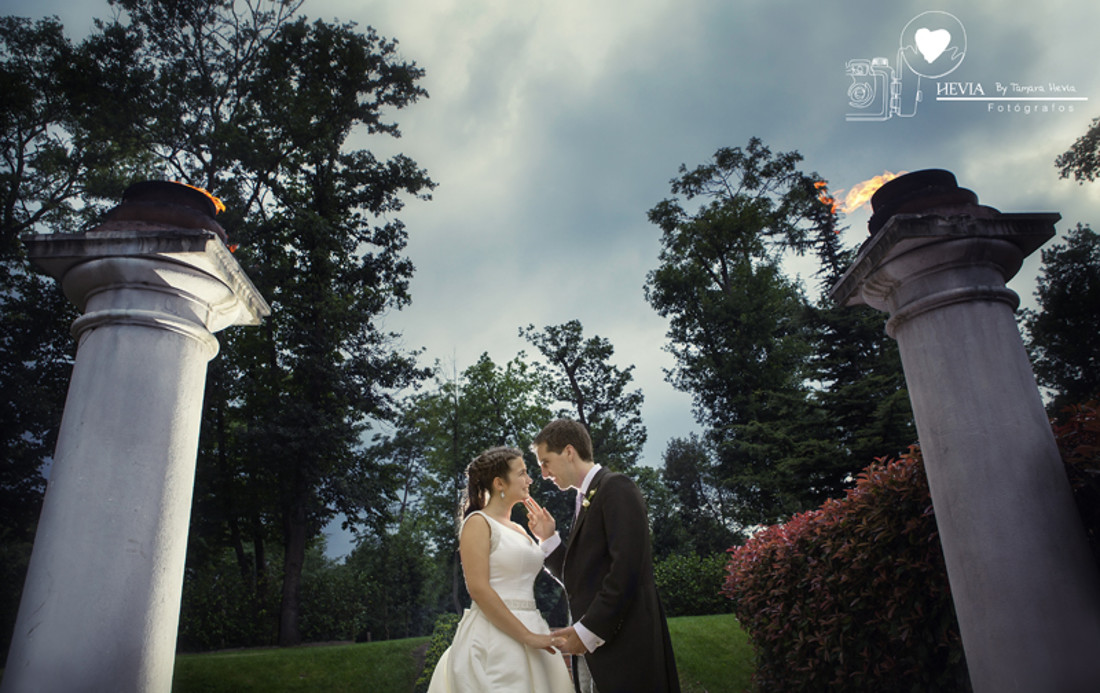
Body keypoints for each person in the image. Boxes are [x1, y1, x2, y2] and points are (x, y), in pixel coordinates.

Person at [526, 419, 681, 693]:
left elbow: (627, 571)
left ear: (569, 452)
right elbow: (583, 579)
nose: (544, 473)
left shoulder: (616, 487)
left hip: (628, 651)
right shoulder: (584, 499)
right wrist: (548, 539)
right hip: (602, 653)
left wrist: (586, 633)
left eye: (546, 461)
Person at [427, 446, 574, 693]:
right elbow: (479, 590)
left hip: (534, 626)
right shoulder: (477, 523)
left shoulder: (519, 529)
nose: (529, 480)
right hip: (494, 638)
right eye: (522, 473)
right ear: (499, 483)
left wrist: (545, 537)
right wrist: (527, 636)